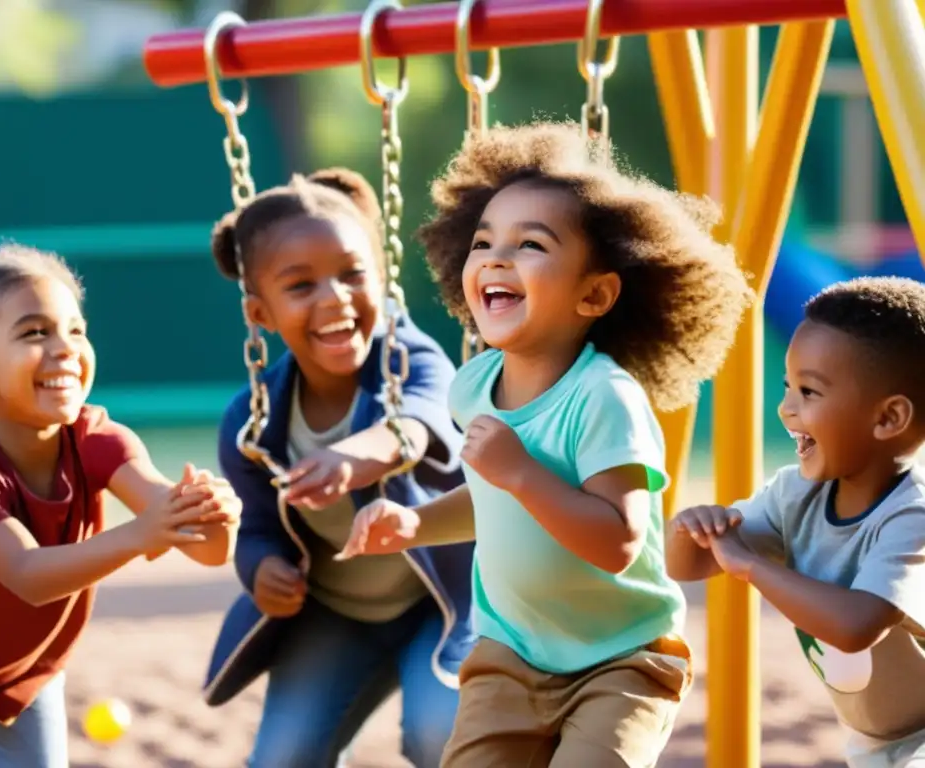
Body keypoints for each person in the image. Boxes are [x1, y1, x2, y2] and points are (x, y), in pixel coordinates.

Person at [336, 121, 752, 766]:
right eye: (483, 242)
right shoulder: (474, 387)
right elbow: (495, 500)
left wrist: (522, 473)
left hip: (621, 660)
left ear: (595, 293)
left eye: (530, 244)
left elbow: (616, 541)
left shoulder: (605, 399)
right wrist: (414, 522)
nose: (496, 259)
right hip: (509, 654)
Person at [0, 245, 241, 768]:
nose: (65, 349)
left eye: (76, 330)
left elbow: (204, 549)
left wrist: (212, 516)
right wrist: (140, 536)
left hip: (18, 659)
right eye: (35, 333)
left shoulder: (101, 441)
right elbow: (28, 574)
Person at [203, 168, 473, 768]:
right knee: (283, 757)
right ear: (260, 313)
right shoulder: (250, 423)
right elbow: (256, 528)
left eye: (353, 274)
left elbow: (427, 420)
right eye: (300, 286)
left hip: (444, 603)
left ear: (380, 278)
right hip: (334, 616)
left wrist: (354, 457)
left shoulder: (409, 357)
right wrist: (262, 569)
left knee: (441, 736)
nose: (334, 297)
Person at [667, 276, 925, 768]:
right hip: (872, 740)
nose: (786, 408)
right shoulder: (795, 495)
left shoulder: (911, 516)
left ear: (888, 419)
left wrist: (750, 566)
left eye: (809, 392)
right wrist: (691, 527)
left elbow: (856, 626)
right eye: (788, 387)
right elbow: (689, 565)